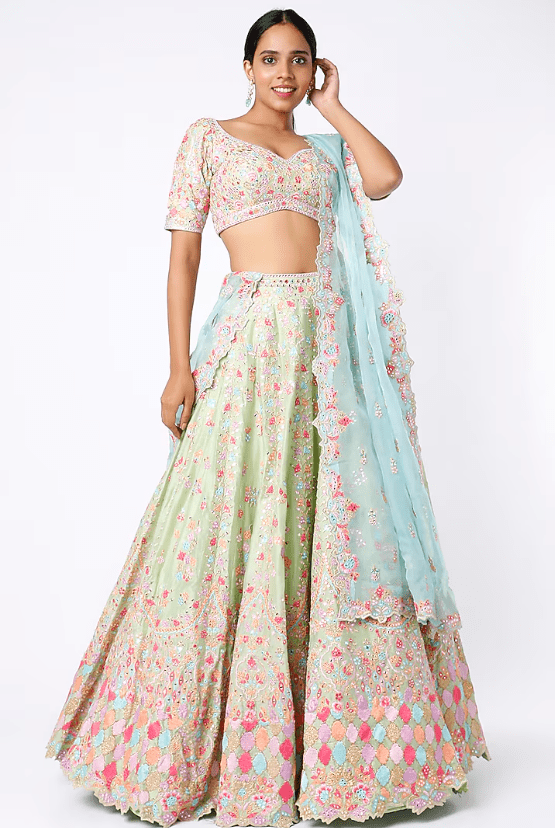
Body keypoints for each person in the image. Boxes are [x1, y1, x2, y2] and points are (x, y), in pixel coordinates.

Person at [45, 8, 490, 827]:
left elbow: (384, 179)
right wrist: (177, 366)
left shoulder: (325, 149)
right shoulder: (208, 139)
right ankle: (203, 738)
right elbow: (183, 257)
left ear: (315, 69)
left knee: (333, 527)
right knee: (227, 517)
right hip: (250, 342)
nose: (285, 73)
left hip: (327, 354)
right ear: (246, 66)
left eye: (300, 60)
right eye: (271, 58)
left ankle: (336, 743)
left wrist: (334, 108)